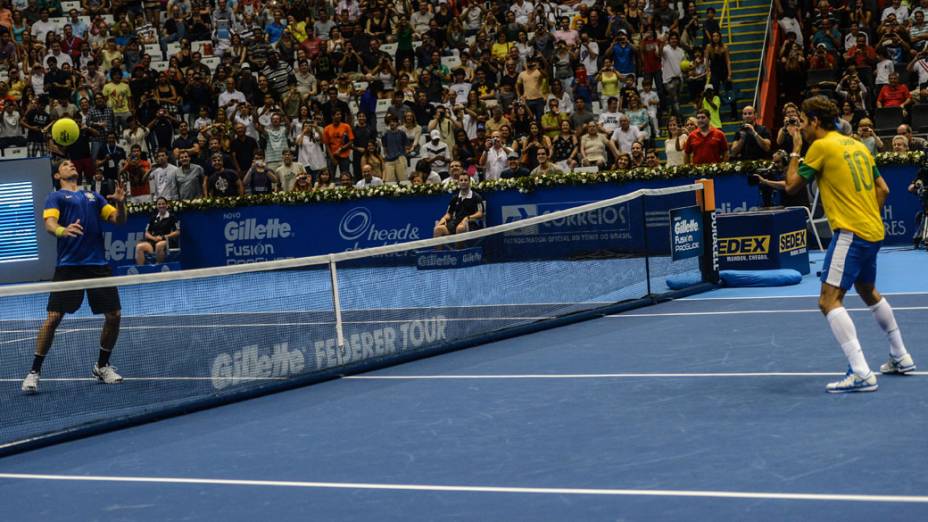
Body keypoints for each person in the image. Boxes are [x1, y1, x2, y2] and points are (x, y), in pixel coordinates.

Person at [784, 96, 916, 393]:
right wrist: (865, 212)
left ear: (815, 121)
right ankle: (901, 356)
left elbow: (792, 185)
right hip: (873, 230)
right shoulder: (856, 145)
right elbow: (883, 189)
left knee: (828, 301)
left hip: (851, 233)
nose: (801, 128)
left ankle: (860, 372)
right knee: (867, 291)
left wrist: (795, 151)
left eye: (803, 121)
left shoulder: (819, 147)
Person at [21, 161, 127, 393]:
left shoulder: (94, 196)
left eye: (71, 163)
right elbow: (49, 223)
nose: (70, 165)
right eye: (65, 165)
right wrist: (63, 230)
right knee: (54, 318)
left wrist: (121, 203)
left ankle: (102, 365)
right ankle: (34, 372)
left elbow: (118, 221)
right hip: (69, 266)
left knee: (114, 315)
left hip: (97, 264)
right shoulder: (56, 197)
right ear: (58, 174)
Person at [434, 171, 485, 237]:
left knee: (460, 228)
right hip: (455, 222)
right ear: (458, 182)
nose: (463, 182)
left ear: (470, 182)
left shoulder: (476, 197)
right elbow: (449, 213)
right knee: (438, 229)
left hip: (471, 223)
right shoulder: (455, 198)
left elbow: (480, 213)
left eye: (465, 180)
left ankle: (459, 248)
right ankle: (439, 248)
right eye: (461, 180)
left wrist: (467, 218)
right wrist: (443, 219)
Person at [134, 197, 180, 265]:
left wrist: (164, 237)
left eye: (163, 204)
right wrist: (154, 238)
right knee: (139, 247)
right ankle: (141, 270)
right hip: (154, 241)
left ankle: (158, 267)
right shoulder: (153, 217)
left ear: (167, 205)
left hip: (167, 241)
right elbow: (146, 233)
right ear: (156, 206)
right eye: (159, 204)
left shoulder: (171, 217)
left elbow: (178, 232)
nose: (161, 206)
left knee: (159, 245)